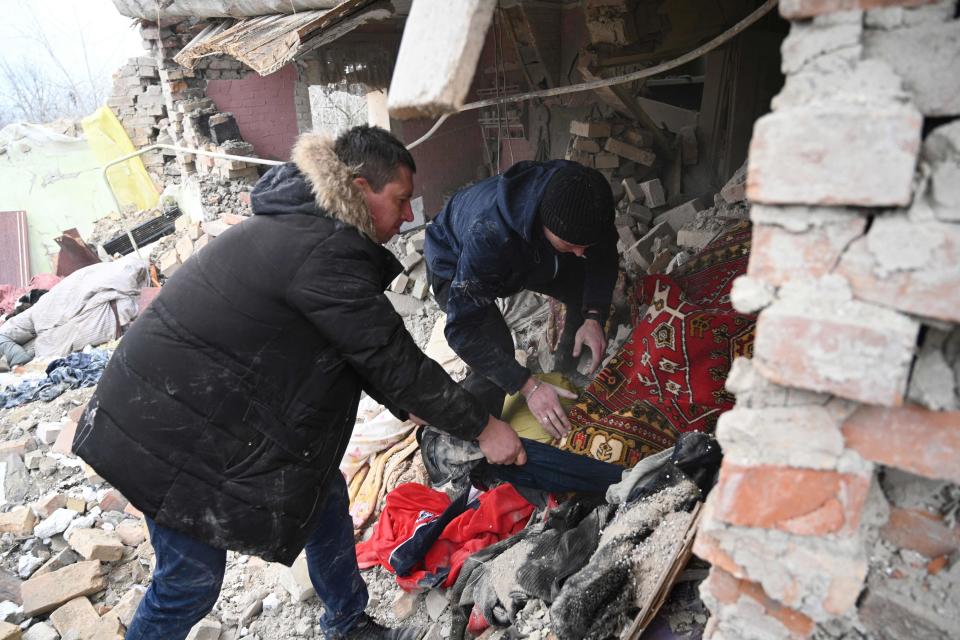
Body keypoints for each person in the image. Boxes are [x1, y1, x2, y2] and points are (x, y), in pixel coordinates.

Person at [72, 125, 526, 640]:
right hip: (169, 432)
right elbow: (389, 356)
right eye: (399, 200)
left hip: (192, 411)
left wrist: (410, 405)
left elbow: (354, 348)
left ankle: (347, 620)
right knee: (189, 581)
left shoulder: (312, 231)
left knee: (322, 494)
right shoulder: (322, 249)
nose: (406, 216)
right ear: (358, 187)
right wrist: (484, 427)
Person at [423, 160, 617, 440]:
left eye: (584, 245)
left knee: (582, 282)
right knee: (495, 346)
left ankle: (567, 366)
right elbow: (461, 330)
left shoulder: (586, 201)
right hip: (452, 256)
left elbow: (602, 255)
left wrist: (595, 315)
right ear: (546, 225)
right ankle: (470, 436)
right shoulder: (489, 235)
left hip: (528, 251)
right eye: (571, 245)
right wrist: (527, 385)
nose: (579, 252)